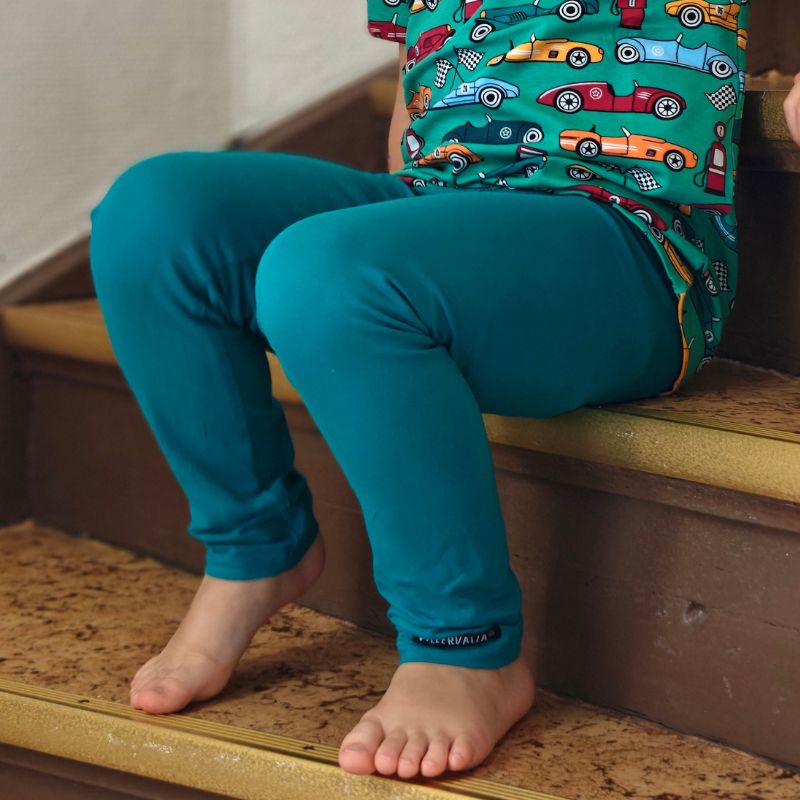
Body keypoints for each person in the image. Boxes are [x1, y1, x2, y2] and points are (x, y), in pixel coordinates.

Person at [88, 1, 797, 782]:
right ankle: (253, 546)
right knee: (154, 215)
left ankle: (464, 645)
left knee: (328, 273)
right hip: (444, 198)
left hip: (630, 238)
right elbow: (416, 88)